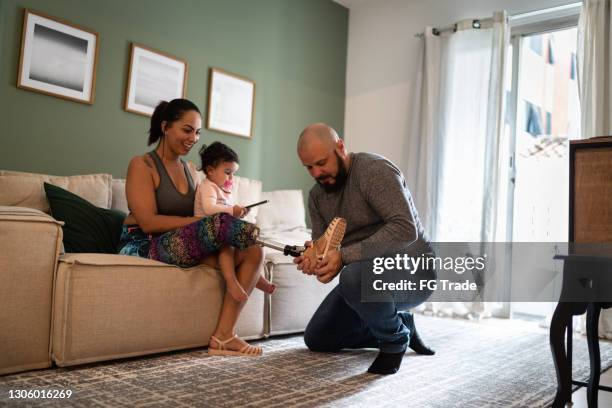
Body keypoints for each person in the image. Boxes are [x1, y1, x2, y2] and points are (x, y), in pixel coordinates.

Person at [118, 98, 264, 357]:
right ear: (165, 126)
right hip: (142, 243)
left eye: (197, 132)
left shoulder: (189, 170)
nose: (193, 138)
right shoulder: (142, 165)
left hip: (178, 241)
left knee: (254, 252)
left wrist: (215, 218)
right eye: (187, 130)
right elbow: (149, 222)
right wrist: (209, 224)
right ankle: (286, 248)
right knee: (226, 227)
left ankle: (224, 337)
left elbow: (200, 214)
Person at [294, 123, 436, 375]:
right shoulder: (316, 196)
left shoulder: (373, 171)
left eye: (321, 162)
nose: (317, 172)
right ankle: (401, 324)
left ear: (341, 147)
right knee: (318, 338)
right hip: (364, 275)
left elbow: (405, 229)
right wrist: (315, 260)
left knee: (354, 275)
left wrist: (344, 256)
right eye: (309, 167)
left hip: (414, 271)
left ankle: (394, 341)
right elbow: (324, 248)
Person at [194, 141, 276, 302]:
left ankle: (257, 278)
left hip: (217, 231)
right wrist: (232, 210)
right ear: (210, 171)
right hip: (201, 232)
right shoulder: (208, 186)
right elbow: (210, 208)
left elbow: (225, 213)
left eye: (233, 173)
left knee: (243, 244)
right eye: (227, 172)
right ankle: (231, 281)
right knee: (228, 244)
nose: (231, 177)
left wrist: (239, 213)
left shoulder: (224, 190)